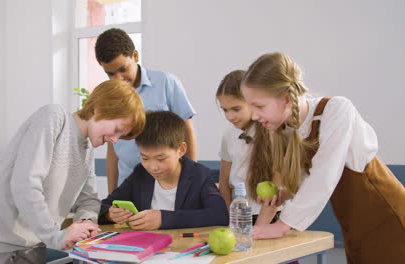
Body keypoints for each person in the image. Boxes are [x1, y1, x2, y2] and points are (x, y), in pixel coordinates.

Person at [240, 52, 405, 263]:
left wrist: (282, 225)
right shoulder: (289, 129)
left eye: (259, 106)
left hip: (388, 217)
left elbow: (324, 174)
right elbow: (305, 180)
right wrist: (286, 195)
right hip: (354, 225)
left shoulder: (337, 110)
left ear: (286, 99)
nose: (253, 116)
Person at [0, 80, 146, 263]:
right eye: (117, 129)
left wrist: (86, 223)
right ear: (99, 109)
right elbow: (25, 185)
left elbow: (89, 199)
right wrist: (55, 236)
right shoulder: (54, 117)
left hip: (31, 244)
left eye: (120, 136)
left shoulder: (86, 149)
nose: (114, 140)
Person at [95, 28, 197, 193]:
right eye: (110, 74)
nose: (118, 79)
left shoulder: (166, 83)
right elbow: (112, 150)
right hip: (128, 186)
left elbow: (187, 131)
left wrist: (192, 183)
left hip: (168, 184)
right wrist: (111, 195)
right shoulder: (109, 95)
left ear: (135, 56)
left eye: (123, 69)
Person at [98, 111, 228, 230]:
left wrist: (163, 219)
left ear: (181, 150)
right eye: (145, 158)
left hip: (183, 249)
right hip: (145, 247)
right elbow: (104, 206)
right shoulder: (141, 173)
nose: (153, 167)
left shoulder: (199, 175)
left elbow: (219, 214)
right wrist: (110, 214)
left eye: (161, 159)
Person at [216, 70, 280, 225]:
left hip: (270, 215)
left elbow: (277, 184)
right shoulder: (228, 135)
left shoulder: (273, 132)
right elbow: (224, 183)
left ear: (252, 103)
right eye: (225, 110)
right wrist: (230, 217)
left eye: (236, 109)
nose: (230, 116)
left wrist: (260, 226)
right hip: (240, 215)